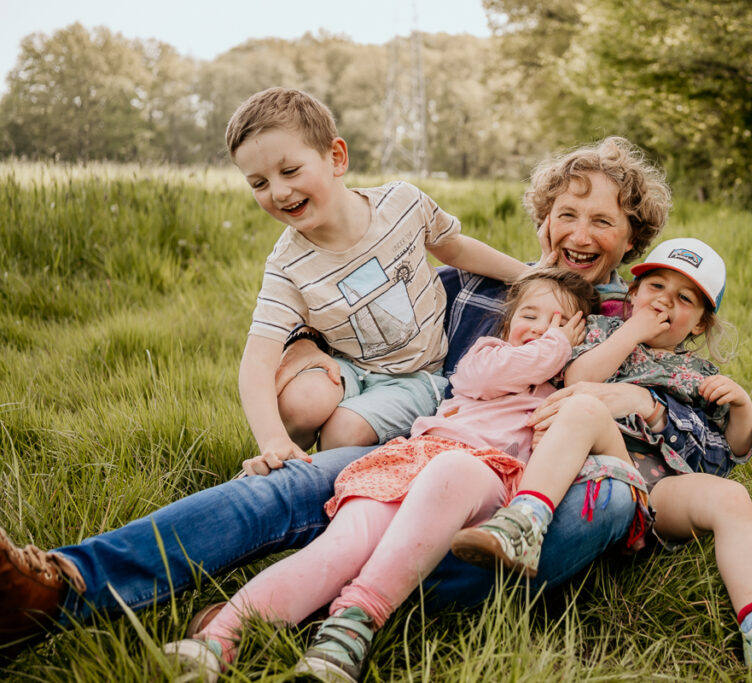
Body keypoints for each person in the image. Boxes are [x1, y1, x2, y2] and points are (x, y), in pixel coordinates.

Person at [0, 137, 693, 662]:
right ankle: (63, 585)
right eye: (566, 213)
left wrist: (640, 405)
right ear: (543, 220)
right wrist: (306, 353)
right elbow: (361, 331)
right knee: (282, 487)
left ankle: (292, 605)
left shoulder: (653, 325)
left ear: (633, 239)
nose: (579, 234)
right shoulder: (478, 290)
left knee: (601, 505)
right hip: (420, 452)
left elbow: (691, 452)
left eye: (602, 221)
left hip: (529, 501)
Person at [161, 268, 597, 682]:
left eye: (561, 323)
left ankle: (350, 627)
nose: (544, 329)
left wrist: (570, 356)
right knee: (343, 545)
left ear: (580, 340)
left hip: (482, 477)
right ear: (507, 324)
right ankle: (217, 641)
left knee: (455, 469)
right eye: (530, 316)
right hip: (412, 459)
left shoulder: (563, 398)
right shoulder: (487, 356)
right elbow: (507, 371)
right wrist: (557, 343)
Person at [452, 238, 752, 670]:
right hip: (588, 473)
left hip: (654, 493)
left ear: (700, 324)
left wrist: (740, 407)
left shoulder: (698, 375)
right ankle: (523, 525)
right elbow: (576, 378)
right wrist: (632, 332)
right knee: (586, 407)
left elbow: (723, 456)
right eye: (656, 287)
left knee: (731, 497)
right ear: (632, 295)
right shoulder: (598, 332)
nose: (664, 301)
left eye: (684, 299)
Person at [227, 87, 527, 468]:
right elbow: (257, 360)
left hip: (416, 376)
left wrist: (529, 274)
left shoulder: (401, 205)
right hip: (347, 368)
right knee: (301, 403)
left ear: (336, 157)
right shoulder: (288, 265)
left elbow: (455, 249)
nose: (280, 192)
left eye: (290, 171)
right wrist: (271, 438)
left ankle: (342, 470)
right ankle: (283, 463)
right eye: (259, 183)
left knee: (341, 434)